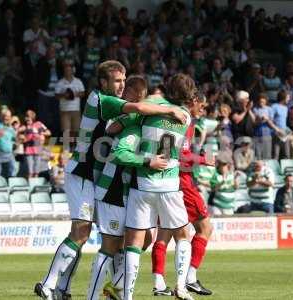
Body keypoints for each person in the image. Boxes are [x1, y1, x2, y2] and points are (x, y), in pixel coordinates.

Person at [34, 60, 186, 300]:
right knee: (82, 233)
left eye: (124, 81)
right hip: (82, 174)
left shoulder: (110, 107)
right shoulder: (100, 100)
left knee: (113, 238)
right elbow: (138, 109)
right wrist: (170, 110)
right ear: (103, 82)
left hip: (94, 178)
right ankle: (48, 284)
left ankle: (67, 288)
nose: (121, 85)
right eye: (117, 81)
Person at [87, 75, 161, 300]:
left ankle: (116, 286)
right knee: (110, 246)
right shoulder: (126, 119)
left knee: (145, 237)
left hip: (129, 190)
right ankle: (93, 296)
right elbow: (116, 144)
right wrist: (148, 161)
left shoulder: (135, 119)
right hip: (113, 188)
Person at [121, 74, 195, 300]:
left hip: (143, 183)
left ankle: (127, 296)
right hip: (170, 184)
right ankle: (181, 286)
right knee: (183, 235)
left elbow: (139, 109)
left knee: (134, 242)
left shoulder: (151, 103)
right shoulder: (186, 116)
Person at [150, 89, 213, 299]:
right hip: (182, 181)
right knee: (204, 227)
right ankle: (190, 278)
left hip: (166, 181)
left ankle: (159, 283)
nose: (202, 110)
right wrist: (205, 159)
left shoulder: (170, 117)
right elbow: (182, 155)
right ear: (193, 101)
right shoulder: (184, 119)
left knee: (164, 232)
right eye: (201, 106)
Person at [55, 61, 85, 146]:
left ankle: (75, 147)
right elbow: (56, 96)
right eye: (66, 70)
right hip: (64, 110)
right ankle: (66, 148)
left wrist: (75, 94)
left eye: (69, 70)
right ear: (64, 71)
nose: (68, 72)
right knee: (66, 131)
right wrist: (64, 95)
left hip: (76, 109)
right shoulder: (60, 82)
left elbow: (83, 93)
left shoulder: (78, 81)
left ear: (72, 71)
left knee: (75, 130)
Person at [20, 110, 51, 178]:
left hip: (37, 149)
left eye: (28, 116)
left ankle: (35, 182)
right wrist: (22, 137)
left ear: (32, 117)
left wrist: (40, 133)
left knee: (36, 171)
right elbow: (19, 133)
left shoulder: (38, 124)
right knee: (30, 171)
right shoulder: (24, 126)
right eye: (26, 116)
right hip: (28, 149)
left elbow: (48, 132)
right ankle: (30, 184)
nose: (27, 118)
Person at [0, 109, 16, 178]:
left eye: (8, 116)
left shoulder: (11, 128)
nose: (6, 118)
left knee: (12, 171)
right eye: (5, 116)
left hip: (9, 153)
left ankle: (11, 184)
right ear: (1, 117)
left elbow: (14, 139)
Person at [271, 90, 290, 159]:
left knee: (287, 154)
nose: (289, 99)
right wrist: (277, 130)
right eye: (288, 97)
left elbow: (284, 122)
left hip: (285, 132)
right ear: (283, 97)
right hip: (276, 133)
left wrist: (288, 132)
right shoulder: (274, 106)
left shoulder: (286, 108)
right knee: (275, 154)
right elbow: (270, 120)